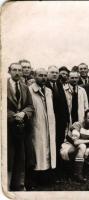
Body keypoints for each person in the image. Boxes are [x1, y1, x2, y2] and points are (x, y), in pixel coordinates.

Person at [60, 109, 89, 183]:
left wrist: (88, 150)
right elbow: (75, 142)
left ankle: (86, 168)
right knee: (82, 146)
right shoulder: (77, 125)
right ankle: (78, 175)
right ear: (84, 118)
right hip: (68, 147)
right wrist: (88, 141)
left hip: (83, 149)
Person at [7, 63, 34, 191]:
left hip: (21, 128)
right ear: (9, 71)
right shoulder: (3, 86)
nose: (17, 72)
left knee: (21, 157)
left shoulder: (24, 87)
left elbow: (30, 106)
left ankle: (18, 185)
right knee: (8, 157)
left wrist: (24, 113)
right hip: (7, 127)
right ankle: (5, 186)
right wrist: (13, 115)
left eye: (19, 70)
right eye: (14, 70)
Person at [28, 68, 56, 184]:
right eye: (40, 75)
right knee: (39, 151)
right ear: (35, 76)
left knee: (48, 150)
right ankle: (36, 179)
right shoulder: (29, 90)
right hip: (37, 124)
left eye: (45, 75)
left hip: (49, 124)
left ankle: (47, 178)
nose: (43, 78)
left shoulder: (49, 91)